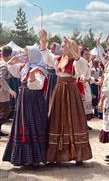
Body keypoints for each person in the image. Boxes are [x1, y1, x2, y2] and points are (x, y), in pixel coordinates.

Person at [39, 30, 92, 165]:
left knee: (74, 119)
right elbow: (45, 56)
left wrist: (72, 51)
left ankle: (78, 155)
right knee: (57, 119)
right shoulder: (58, 60)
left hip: (71, 91)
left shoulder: (77, 61)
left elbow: (81, 68)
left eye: (64, 46)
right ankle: (56, 154)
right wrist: (43, 40)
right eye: (62, 46)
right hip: (59, 90)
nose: (62, 48)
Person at [3, 46, 48, 166]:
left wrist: (32, 77)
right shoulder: (25, 67)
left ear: (33, 55)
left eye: (26, 54)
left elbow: (38, 86)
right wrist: (10, 62)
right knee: (22, 125)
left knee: (33, 125)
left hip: (34, 101)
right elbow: (14, 70)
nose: (24, 56)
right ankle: (23, 158)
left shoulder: (39, 69)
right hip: (23, 99)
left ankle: (34, 159)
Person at [0, 46, 17, 137]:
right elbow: (1, 78)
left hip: (3, 91)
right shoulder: (4, 65)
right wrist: (9, 90)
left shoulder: (3, 63)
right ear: (10, 55)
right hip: (2, 91)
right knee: (6, 111)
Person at [79, 48, 94, 129]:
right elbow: (80, 77)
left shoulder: (88, 64)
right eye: (86, 54)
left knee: (86, 105)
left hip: (86, 86)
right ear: (81, 55)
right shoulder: (80, 64)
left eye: (89, 54)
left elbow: (87, 77)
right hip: (81, 87)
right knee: (81, 106)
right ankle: (81, 124)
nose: (88, 56)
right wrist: (91, 80)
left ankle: (85, 123)